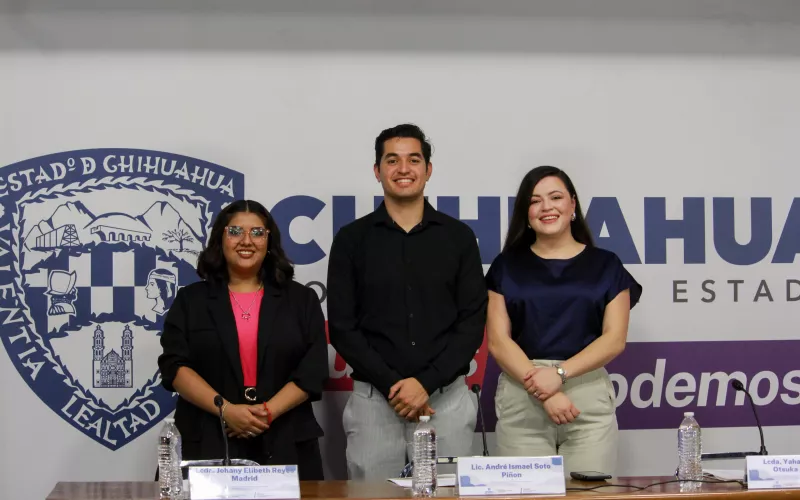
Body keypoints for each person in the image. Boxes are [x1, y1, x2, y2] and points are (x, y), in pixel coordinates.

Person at [327, 123, 488, 480]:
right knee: (373, 497)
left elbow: (472, 322)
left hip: (445, 399)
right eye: (392, 160)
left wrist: (425, 383)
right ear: (377, 170)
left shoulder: (459, 237)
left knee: (447, 494)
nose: (403, 169)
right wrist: (395, 387)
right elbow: (342, 326)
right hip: (374, 403)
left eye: (414, 160)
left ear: (428, 170)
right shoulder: (352, 239)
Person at [486, 166, 641, 476]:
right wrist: (544, 388)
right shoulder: (506, 266)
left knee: (590, 494)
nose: (547, 207)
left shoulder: (607, 265)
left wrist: (559, 374)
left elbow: (614, 339)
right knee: (526, 495)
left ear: (572, 205)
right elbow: (498, 341)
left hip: (586, 396)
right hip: (523, 394)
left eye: (556, 197)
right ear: (526, 213)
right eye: (535, 201)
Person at [158, 199, 327, 480]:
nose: (246, 241)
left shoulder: (301, 300)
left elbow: (314, 368)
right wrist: (226, 410)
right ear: (220, 239)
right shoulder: (191, 300)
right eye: (235, 231)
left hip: (285, 438)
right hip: (208, 437)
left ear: (269, 241)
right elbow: (174, 366)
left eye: (257, 232)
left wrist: (267, 412)